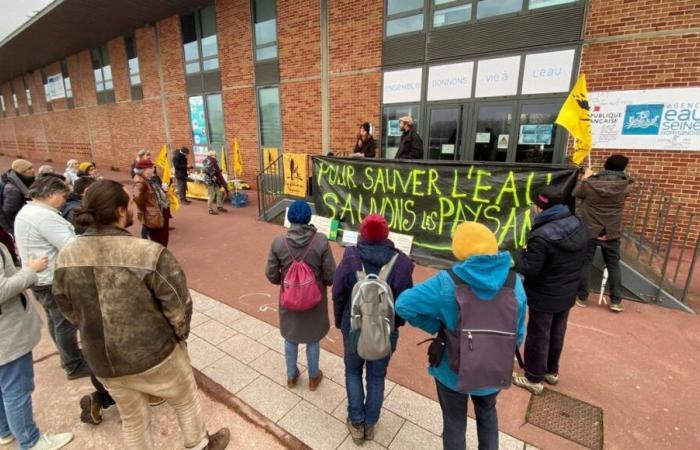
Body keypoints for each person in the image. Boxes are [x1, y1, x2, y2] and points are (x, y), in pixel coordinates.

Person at [52, 180, 230, 450]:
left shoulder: (66, 255)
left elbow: (65, 305)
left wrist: (90, 329)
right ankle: (199, 444)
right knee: (184, 399)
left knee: (133, 419)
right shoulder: (148, 253)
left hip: (102, 359)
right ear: (121, 212)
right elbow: (179, 306)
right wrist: (179, 337)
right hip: (154, 353)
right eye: (129, 201)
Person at [396, 222, 527, 450]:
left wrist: (438, 328)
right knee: (487, 415)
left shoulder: (446, 282)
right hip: (494, 368)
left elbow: (403, 305)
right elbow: (518, 333)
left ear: (459, 249)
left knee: (454, 423)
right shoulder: (515, 284)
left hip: (452, 371)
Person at [332, 214, 414, 444]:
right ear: (386, 234)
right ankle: (370, 423)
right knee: (377, 376)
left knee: (352, 371)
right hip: (385, 332)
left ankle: (356, 422)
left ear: (362, 233)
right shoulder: (402, 263)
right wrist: (395, 325)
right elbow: (406, 302)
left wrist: (340, 322)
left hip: (353, 328)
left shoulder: (350, 256)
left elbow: (338, 293)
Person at [511, 186, 589, 395]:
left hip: (545, 293)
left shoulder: (541, 235)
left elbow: (530, 268)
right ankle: (551, 371)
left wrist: (518, 256)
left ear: (540, 206)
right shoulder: (577, 222)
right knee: (557, 330)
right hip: (567, 289)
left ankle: (533, 377)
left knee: (538, 334)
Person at [14, 176, 91, 380]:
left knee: (55, 320)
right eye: (62, 195)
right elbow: (70, 245)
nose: (64, 200)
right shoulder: (43, 217)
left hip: (41, 278)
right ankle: (73, 364)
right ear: (50, 194)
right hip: (51, 279)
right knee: (64, 323)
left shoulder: (29, 212)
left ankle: (69, 356)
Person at [0, 242, 75, 450]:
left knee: (4, 386)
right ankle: (30, 441)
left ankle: (5, 429)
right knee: (17, 388)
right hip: (7, 335)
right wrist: (30, 271)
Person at [265, 200, 336, 391]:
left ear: (289, 218)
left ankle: (291, 376)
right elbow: (330, 274)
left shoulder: (279, 242)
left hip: (289, 300)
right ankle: (313, 377)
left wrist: (287, 283)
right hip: (314, 301)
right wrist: (322, 283)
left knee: (290, 337)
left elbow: (271, 274)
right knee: (313, 339)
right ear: (308, 218)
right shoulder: (320, 240)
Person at [574, 154, 634, 312]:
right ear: (623, 169)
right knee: (613, 265)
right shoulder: (625, 184)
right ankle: (616, 301)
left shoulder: (591, 182)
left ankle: (582, 297)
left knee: (585, 262)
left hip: (590, 229)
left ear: (606, 165)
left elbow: (576, 193)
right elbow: (629, 183)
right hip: (611, 230)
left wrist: (586, 177)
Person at [133, 159, 170, 247]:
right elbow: (137, 197)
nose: (153, 169)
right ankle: (160, 258)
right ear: (145, 169)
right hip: (153, 215)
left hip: (158, 211)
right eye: (151, 167)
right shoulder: (140, 181)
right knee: (159, 240)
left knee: (162, 238)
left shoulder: (146, 178)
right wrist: (145, 209)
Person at [1, 159, 35, 234]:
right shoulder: (12, 189)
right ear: (21, 172)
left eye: (32, 167)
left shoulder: (27, 181)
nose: (33, 170)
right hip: (17, 224)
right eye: (29, 169)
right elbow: (10, 212)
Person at [203, 151, 228, 215]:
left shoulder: (213, 161)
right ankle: (210, 209)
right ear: (211, 155)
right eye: (214, 155)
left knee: (219, 193)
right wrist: (215, 175)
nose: (215, 156)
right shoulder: (208, 161)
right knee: (211, 196)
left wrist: (218, 171)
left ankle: (219, 206)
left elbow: (214, 170)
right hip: (210, 181)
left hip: (215, 180)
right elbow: (208, 171)